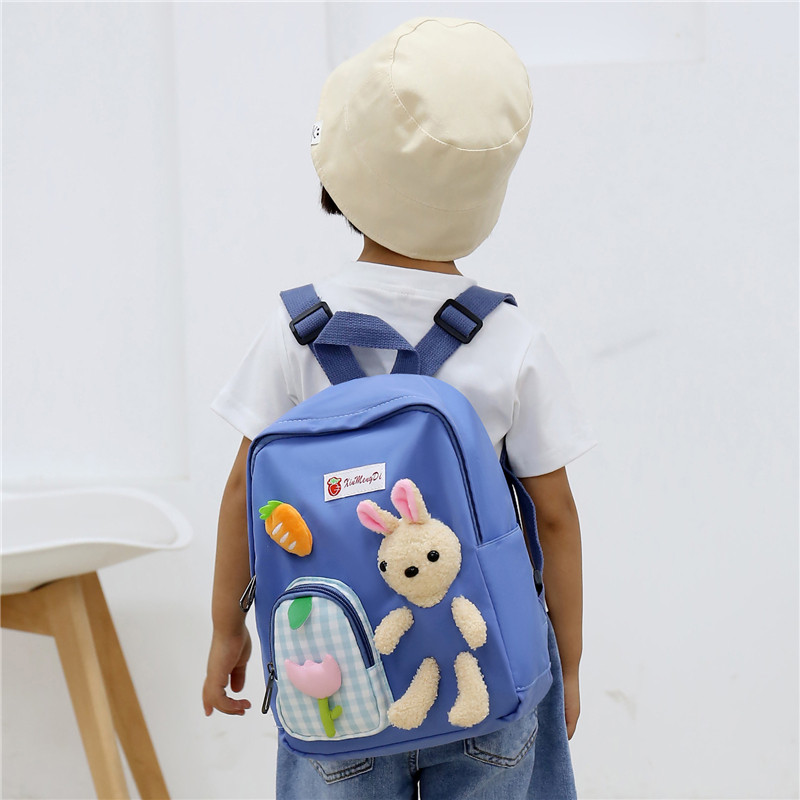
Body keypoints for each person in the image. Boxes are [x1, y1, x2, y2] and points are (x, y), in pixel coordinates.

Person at [203, 17, 595, 799]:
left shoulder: (295, 331)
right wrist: (570, 665)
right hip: (482, 667)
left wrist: (225, 630)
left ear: (345, 183)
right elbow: (554, 518)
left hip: (336, 673)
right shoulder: (508, 338)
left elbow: (245, 491)